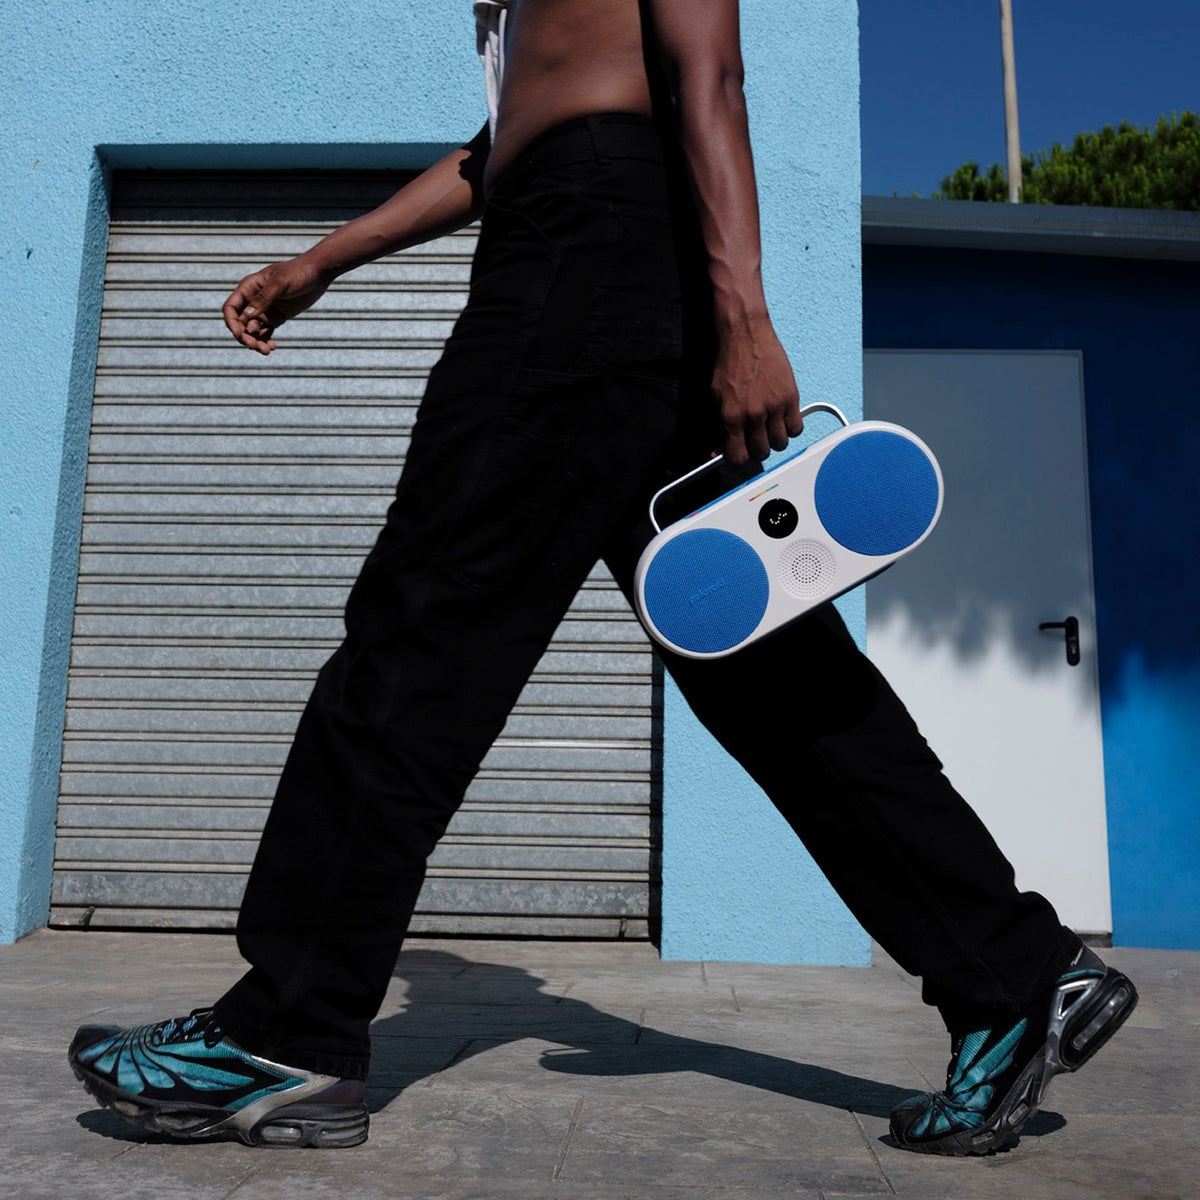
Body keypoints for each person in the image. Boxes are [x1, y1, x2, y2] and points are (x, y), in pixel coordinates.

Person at [68, 0, 1136, 1156]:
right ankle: (1015, 976)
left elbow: (707, 70)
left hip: (584, 258)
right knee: (774, 677)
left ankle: (288, 1030)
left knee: (420, 639)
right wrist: (325, 259)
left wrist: (747, 315)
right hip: (607, 246)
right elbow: (499, 146)